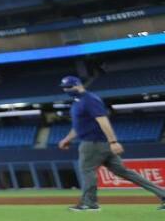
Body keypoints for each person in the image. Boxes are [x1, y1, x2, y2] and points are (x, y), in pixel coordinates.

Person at [57, 76, 165, 211]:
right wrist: (67, 139)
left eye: (69, 87)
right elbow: (79, 126)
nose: (66, 90)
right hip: (99, 143)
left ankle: (89, 203)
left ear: (78, 85)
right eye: (64, 88)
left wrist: (113, 141)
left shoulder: (89, 99)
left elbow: (103, 120)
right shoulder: (77, 101)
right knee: (125, 172)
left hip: (93, 143)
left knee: (87, 170)